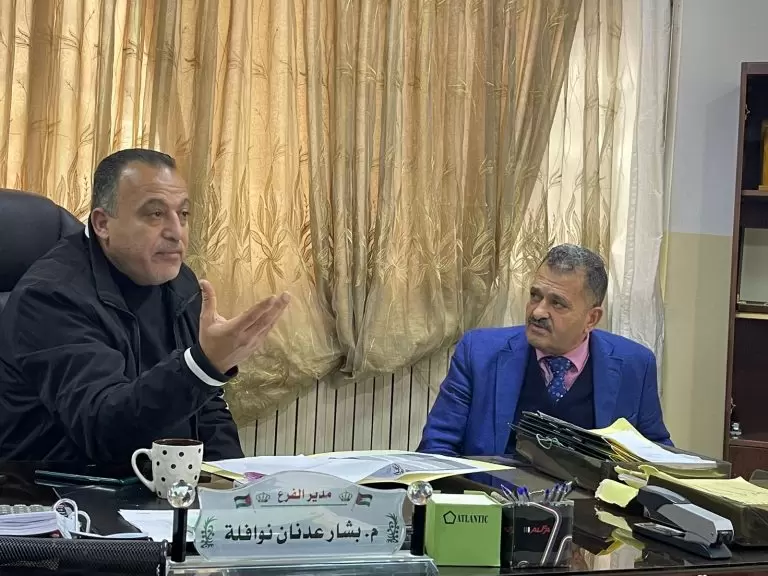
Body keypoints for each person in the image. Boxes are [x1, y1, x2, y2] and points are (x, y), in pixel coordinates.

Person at [0, 149, 290, 465]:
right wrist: (203, 366)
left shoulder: (181, 282)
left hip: (153, 483)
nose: (176, 232)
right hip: (60, 486)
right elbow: (103, 429)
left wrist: (235, 480)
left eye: (183, 214)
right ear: (102, 224)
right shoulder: (50, 296)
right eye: (155, 214)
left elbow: (205, 411)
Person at [418, 244, 671, 457]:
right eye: (535, 296)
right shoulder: (478, 353)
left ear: (591, 318)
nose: (538, 311)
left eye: (557, 303)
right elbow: (437, 447)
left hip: (590, 501)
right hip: (494, 498)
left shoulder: (634, 365)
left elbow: (656, 456)